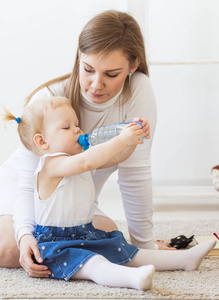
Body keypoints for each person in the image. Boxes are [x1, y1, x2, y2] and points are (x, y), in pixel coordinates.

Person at [0, 10, 172, 276]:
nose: (96, 84)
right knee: (13, 250)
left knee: (112, 241)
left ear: (133, 65)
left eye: (111, 74)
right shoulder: (48, 100)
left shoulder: (139, 89)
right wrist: (24, 235)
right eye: (88, 69)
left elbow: (135, 173)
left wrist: (143, 245)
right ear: (79, 57)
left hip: (71, 206)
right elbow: (26, 184)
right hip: (25, 191)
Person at [2, 96, 216, 290]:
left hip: (84, 234)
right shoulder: (51, 165)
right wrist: (121, 139)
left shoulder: (76, 160)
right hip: (57, 245)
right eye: (67, 127)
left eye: (77, 124)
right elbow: (89, 160)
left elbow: (112, 158)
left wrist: (132, 142)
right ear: (42, 142)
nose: (77, 130)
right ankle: (133, 279)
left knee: (124, 251)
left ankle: (185, 259)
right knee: (95, 264)